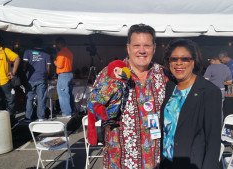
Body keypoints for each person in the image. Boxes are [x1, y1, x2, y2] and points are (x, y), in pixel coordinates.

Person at [89, 24, 168, 169]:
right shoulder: (109, 74)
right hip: (121, 161)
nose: (142, 51)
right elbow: (93, 109)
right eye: (136, 45)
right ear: (128, 47)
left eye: (147, 45)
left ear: (154, 48)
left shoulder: (164, 75)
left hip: (155, 160)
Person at [160, 39, 221, 169]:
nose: (179, 63)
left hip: (191, 163)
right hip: (166, 162)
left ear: (193, 61)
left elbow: (213, 141)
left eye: (185, 59)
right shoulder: (169, 87)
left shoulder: (209, 91)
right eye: (174, 59)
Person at [23, 38, 51, 122]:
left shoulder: (27, 52)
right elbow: (48, 67)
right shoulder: (46, 53)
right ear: (41, 44)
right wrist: (47, 76)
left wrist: (24, 74)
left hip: (30, 78)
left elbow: (24, 65)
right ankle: (41, 117)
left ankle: (28, 118)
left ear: (33, 43)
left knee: (29, 98)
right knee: (41, 98)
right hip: (42, 78)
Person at [0, 34, 20, 127]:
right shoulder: (5, 50)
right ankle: (11, 121)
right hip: (5, 80)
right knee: (10, 100)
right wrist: (13, 72)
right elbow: (17, 58)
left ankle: (0, 121)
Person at [204, 56, 232, 120]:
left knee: (210, 109)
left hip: (212, 91)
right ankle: (220, 127)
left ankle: (211, 126)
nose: (210, 62)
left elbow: (206, 80)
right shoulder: (226, 67)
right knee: (220, 110)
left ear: (214, 60)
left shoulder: (211, 67)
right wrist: (222, 82)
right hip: (222, 90)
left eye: (210, 60)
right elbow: (229, 82)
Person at [54, 37, 74, 117]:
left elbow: (59, 65)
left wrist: (54, 61)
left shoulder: (61, 52)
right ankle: (71, 110)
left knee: (63, 95)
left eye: (56, 44)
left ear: (60, 43)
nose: (56, 46)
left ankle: (66, 113)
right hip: (69, 74)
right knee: (69, 94)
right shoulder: (69, 52)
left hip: (63, 75)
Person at [218, 50, 233, 118]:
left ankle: (230, 127)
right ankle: (227, 127)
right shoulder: (227, 64)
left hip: (232, 92)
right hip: (227, 92)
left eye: (221, 60)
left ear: (225, 57)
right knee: (226, 110)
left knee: (230, 111)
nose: (221, 61)